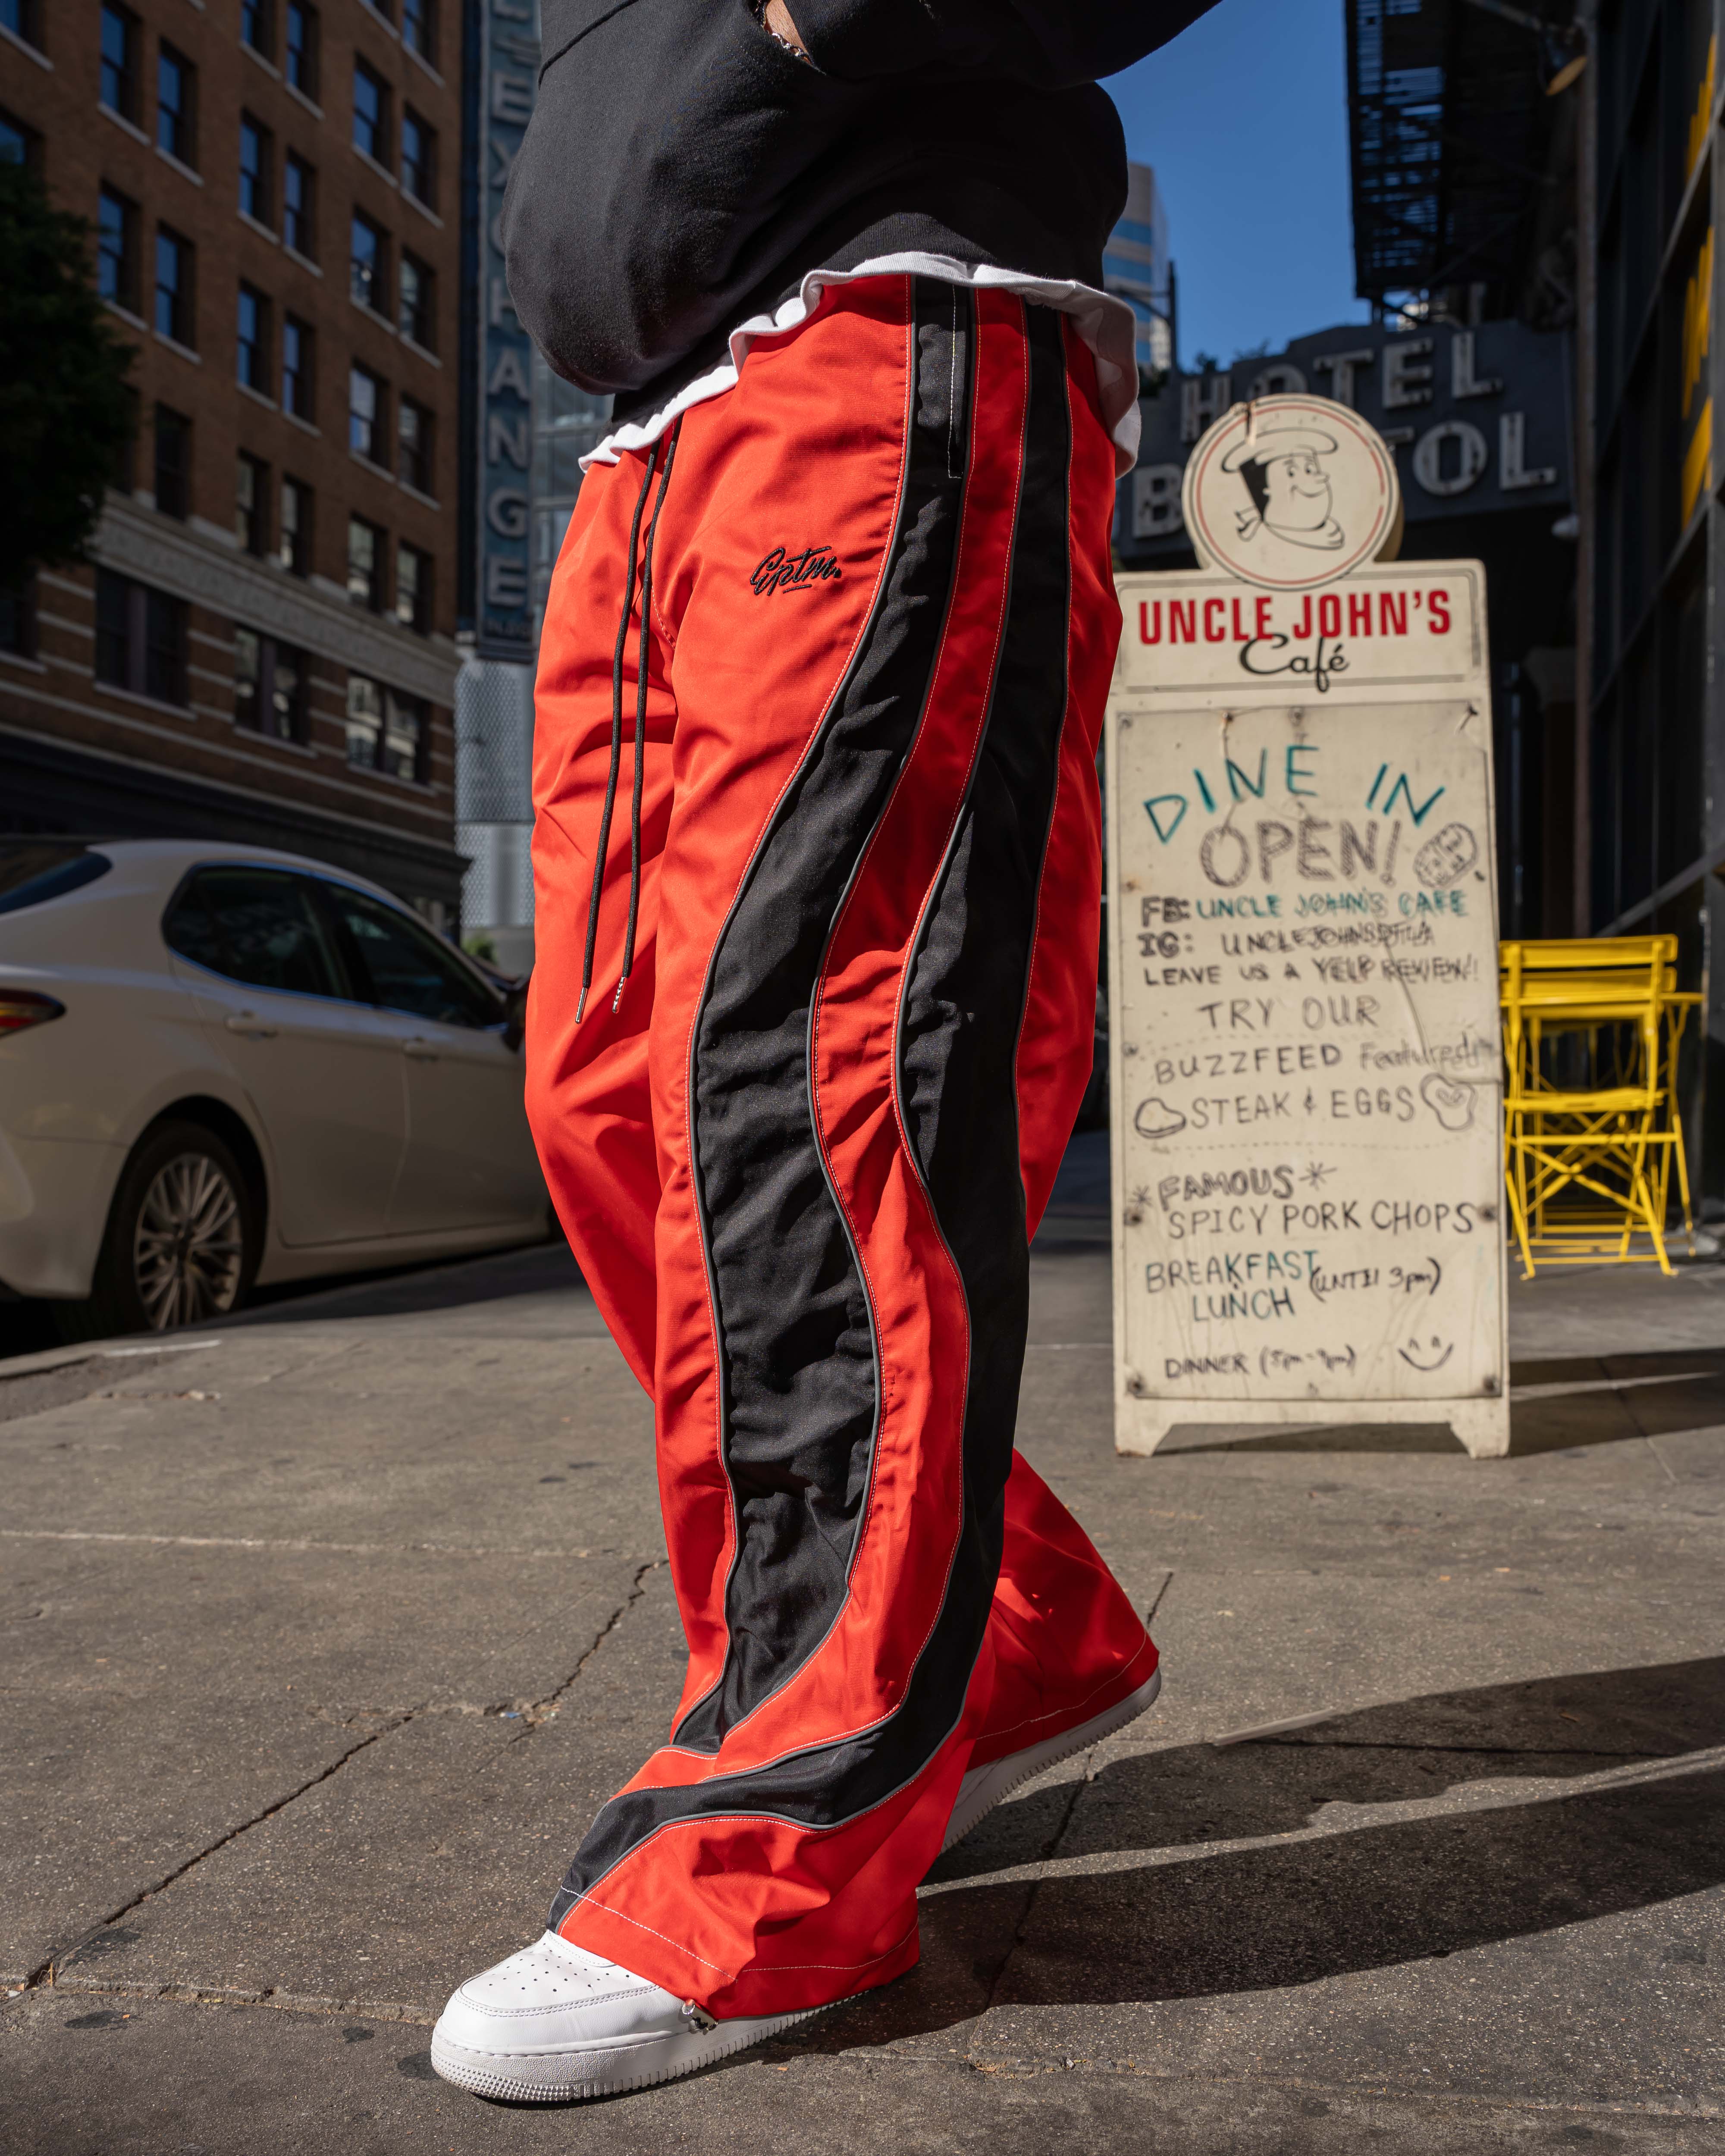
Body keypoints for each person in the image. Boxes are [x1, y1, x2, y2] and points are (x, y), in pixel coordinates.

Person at [432, 0, 1216, 2103]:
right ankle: (1010, 1633)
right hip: (651, 418)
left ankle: (779, 1852)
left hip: (888, 326)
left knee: (813, 1083)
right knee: (610, 1091)